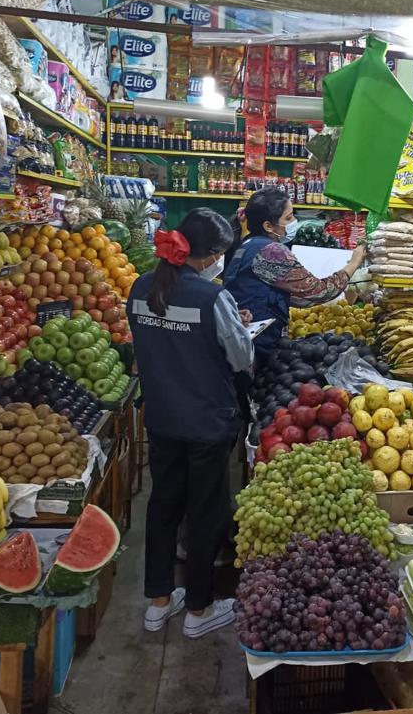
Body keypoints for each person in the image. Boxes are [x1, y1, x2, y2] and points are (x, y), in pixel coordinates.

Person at [127, 208, 253, 638]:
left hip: (161, 417)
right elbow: (241, 358)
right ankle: (199, 609)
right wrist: (238, 329)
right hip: (207, 422)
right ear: (210, 254)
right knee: (205, 511)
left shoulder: (140, 288)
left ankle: (158, 603)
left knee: (163, 505)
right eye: (221, 253)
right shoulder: (214, 297)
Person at [223, 187, 366, 356]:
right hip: (256, 342)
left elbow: (280, 292)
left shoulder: (248, 243)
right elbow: (319, 291)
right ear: (268, 226)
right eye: (288, 218)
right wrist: (354, 263)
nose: (294, 222)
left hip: (241, 336)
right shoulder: (271, 251)